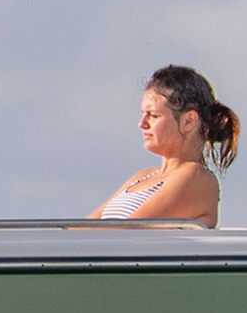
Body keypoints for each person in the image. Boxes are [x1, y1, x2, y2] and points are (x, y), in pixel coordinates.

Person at [88, 65, 238, 225]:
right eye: (143, 114)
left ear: (189, 121)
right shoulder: (143, 176)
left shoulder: (196, 177)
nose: (142, 123)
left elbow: (126, 230)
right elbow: (84, 228)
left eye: (153, 115)